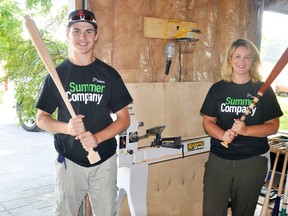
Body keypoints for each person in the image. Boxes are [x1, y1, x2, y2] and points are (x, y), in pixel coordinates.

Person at [35, 9, 133, 216]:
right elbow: (41, 119)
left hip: (104, 161)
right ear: (67, 34)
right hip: (69, 161)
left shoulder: (108, 75)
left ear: (96, 36)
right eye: (76, 30)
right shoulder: (57, 75)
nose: (82, 37)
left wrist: (97, 138)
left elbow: (124, 120)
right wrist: (67, 128)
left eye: (89, 31)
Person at [200, 38, 283, 216]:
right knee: (212, 211)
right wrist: (223, 135)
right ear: (230, 59)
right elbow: (208, 122)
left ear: (253, 60)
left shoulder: (263, 90)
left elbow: (273, 126)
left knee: (244, 212)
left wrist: (246, 130)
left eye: (247, 57)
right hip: (219, 159)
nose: (242, 61)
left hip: (252, 160)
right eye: (237, 56)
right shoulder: (218, 89)